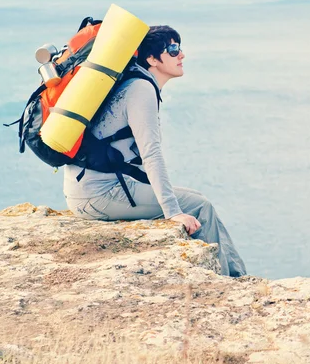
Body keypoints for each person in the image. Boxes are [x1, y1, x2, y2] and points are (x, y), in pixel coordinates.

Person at [63, 25, 247, 277]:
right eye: (172, 49)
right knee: (200, 206)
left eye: (179, 48)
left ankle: (236, 276)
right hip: (99, 195)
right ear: (152, 59)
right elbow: (151, 154)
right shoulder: (141, 90)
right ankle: (230, 281)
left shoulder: (134, 84)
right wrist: (173, 212)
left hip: (90, 191)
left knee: (193, 197)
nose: (181, 55)